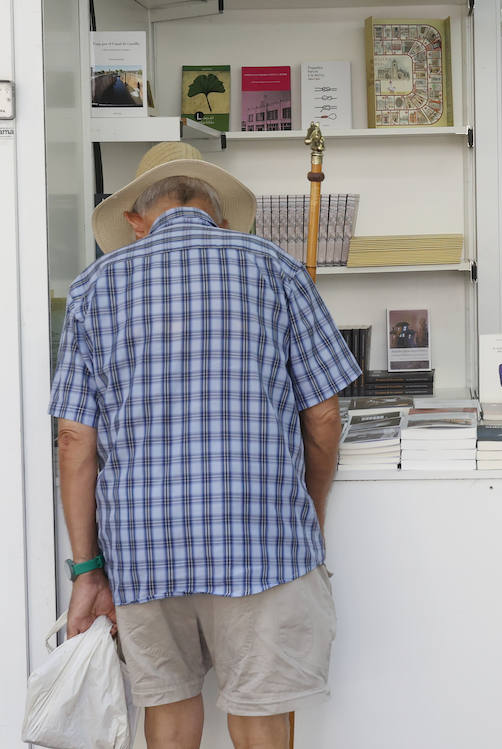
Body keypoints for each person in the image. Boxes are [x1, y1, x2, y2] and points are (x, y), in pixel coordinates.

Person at [50, 141, 361, 749]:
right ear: (217, 216)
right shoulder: (276, 268)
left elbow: (74, 437)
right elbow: (324, 417)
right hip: (262, 539)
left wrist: (87, 568)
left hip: (142, 548)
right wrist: (310, 516)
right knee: (262, 717)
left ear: (137, 220)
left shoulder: (94, 288)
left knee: (166, 716)